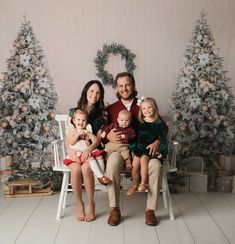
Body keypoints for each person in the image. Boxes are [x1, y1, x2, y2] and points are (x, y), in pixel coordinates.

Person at [104, 72, 167, 226]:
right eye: (120, 86)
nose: (124, 88)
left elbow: (162, 128)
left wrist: (157, 142)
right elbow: (103, 131)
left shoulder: (144, 105)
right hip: (121, 149)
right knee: (112, 163)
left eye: (127, 84)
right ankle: (114, 208)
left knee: (156, 166)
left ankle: (150, 210)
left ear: (133, 85)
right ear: (117, 88)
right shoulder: (111, 108)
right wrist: (109, 137)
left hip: (144, 150)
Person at [65, 80, 107, 222]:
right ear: (85, 92)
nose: (94, 95)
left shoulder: (101, 115)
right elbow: (68, 138)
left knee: (86, 168)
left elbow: (99, 139)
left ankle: (90, 204)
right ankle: (79, 204)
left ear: (100, 96)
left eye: (98, 92)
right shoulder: (73, 112)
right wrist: (71, 154)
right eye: (91, 91)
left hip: (91, 152)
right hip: (74, 151)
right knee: (76, 169)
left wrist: (89, 150)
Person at [126, 97, 168, 195]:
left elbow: (162, 139)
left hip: (149, 149)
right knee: (135, 166)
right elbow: (133, 137)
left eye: (149, 107)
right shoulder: (139, 122)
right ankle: (134, 185)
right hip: (139, 147)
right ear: (141, 110)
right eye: (144, 108)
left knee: (144, 160)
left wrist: (162, 152)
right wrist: (132, 148)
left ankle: (144, 183)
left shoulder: (158, 124)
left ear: (155, 108)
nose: (146, 110)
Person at [64, 108, 112, 185]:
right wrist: (77, 134)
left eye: (83, 120)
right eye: (78, 119)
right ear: (74, 120)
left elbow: (95, 141)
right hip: (78, 152)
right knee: (91, 158)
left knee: (99, 156)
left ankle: (101, 176)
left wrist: (89, 134)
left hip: (86, 149)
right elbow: (71, 142)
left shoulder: (87, 129)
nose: (81, 122)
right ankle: (100, 176)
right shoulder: (73, 130)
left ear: (86, 122)